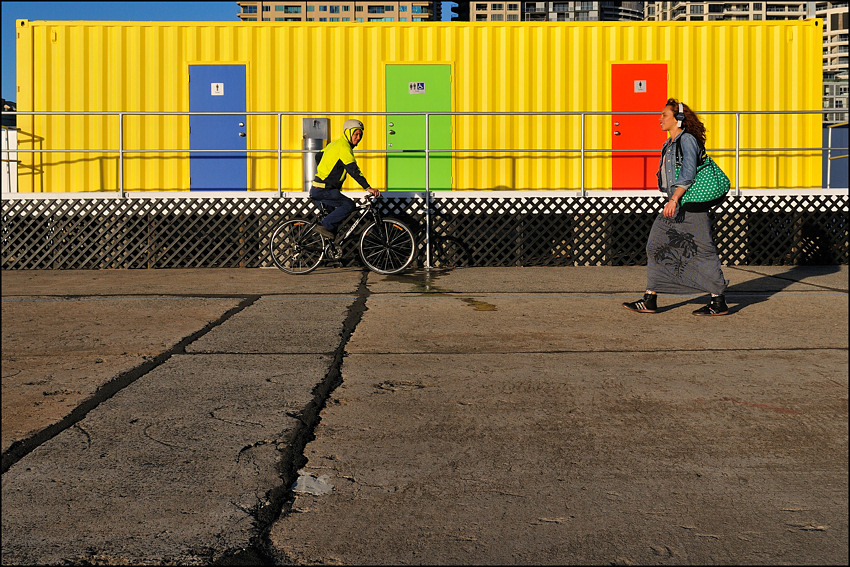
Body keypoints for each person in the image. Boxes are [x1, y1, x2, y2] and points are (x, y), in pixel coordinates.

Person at [623, 98, 729, 316]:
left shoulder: (687, 140)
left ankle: (718, 301)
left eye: (664, 115)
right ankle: (650, 299)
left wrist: (674, 199)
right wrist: (673, 199)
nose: (659, 119)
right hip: (677, 203)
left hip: (690, 204)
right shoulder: (669, 144)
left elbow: (688, 172)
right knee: (656, 244)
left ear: (678, 119)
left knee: (703, 250)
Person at [309, 119, 381, 239]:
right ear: (348, 133)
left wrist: (326, 171)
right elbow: (353, 170)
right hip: (324, 189)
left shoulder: (334, 144)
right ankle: (323, 226)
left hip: (321, 188)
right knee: (349, 205)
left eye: (360, 135)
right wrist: (368, 188)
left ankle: (329, 247)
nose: (358, 137)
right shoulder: (344, 147)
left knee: (334, 222)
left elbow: (318, 156)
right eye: (356, 134)